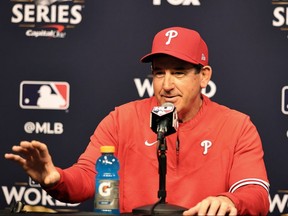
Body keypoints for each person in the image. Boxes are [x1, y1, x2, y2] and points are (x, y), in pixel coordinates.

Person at [4, 26, 270, 215]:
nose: (166, 85)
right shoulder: (122, 118)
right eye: (158, 73)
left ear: (203, 76)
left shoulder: (237, 126)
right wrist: (55, 178)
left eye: (178, 73)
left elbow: (255, 192)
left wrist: (230, 201)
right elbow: (88, 176)